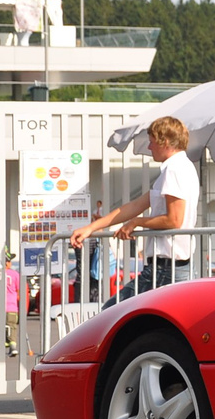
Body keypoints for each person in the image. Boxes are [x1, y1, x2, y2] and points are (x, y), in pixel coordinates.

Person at [71, 116, 199, 305]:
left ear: (164, 142)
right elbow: (134, 206)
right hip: (170, 267)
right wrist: (91, 228)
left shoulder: (174, 170)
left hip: (165, 269)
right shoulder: (179, 168)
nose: (149, 147)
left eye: (152, 142)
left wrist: (136, 222)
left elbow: (174, 220)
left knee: (111, 312)